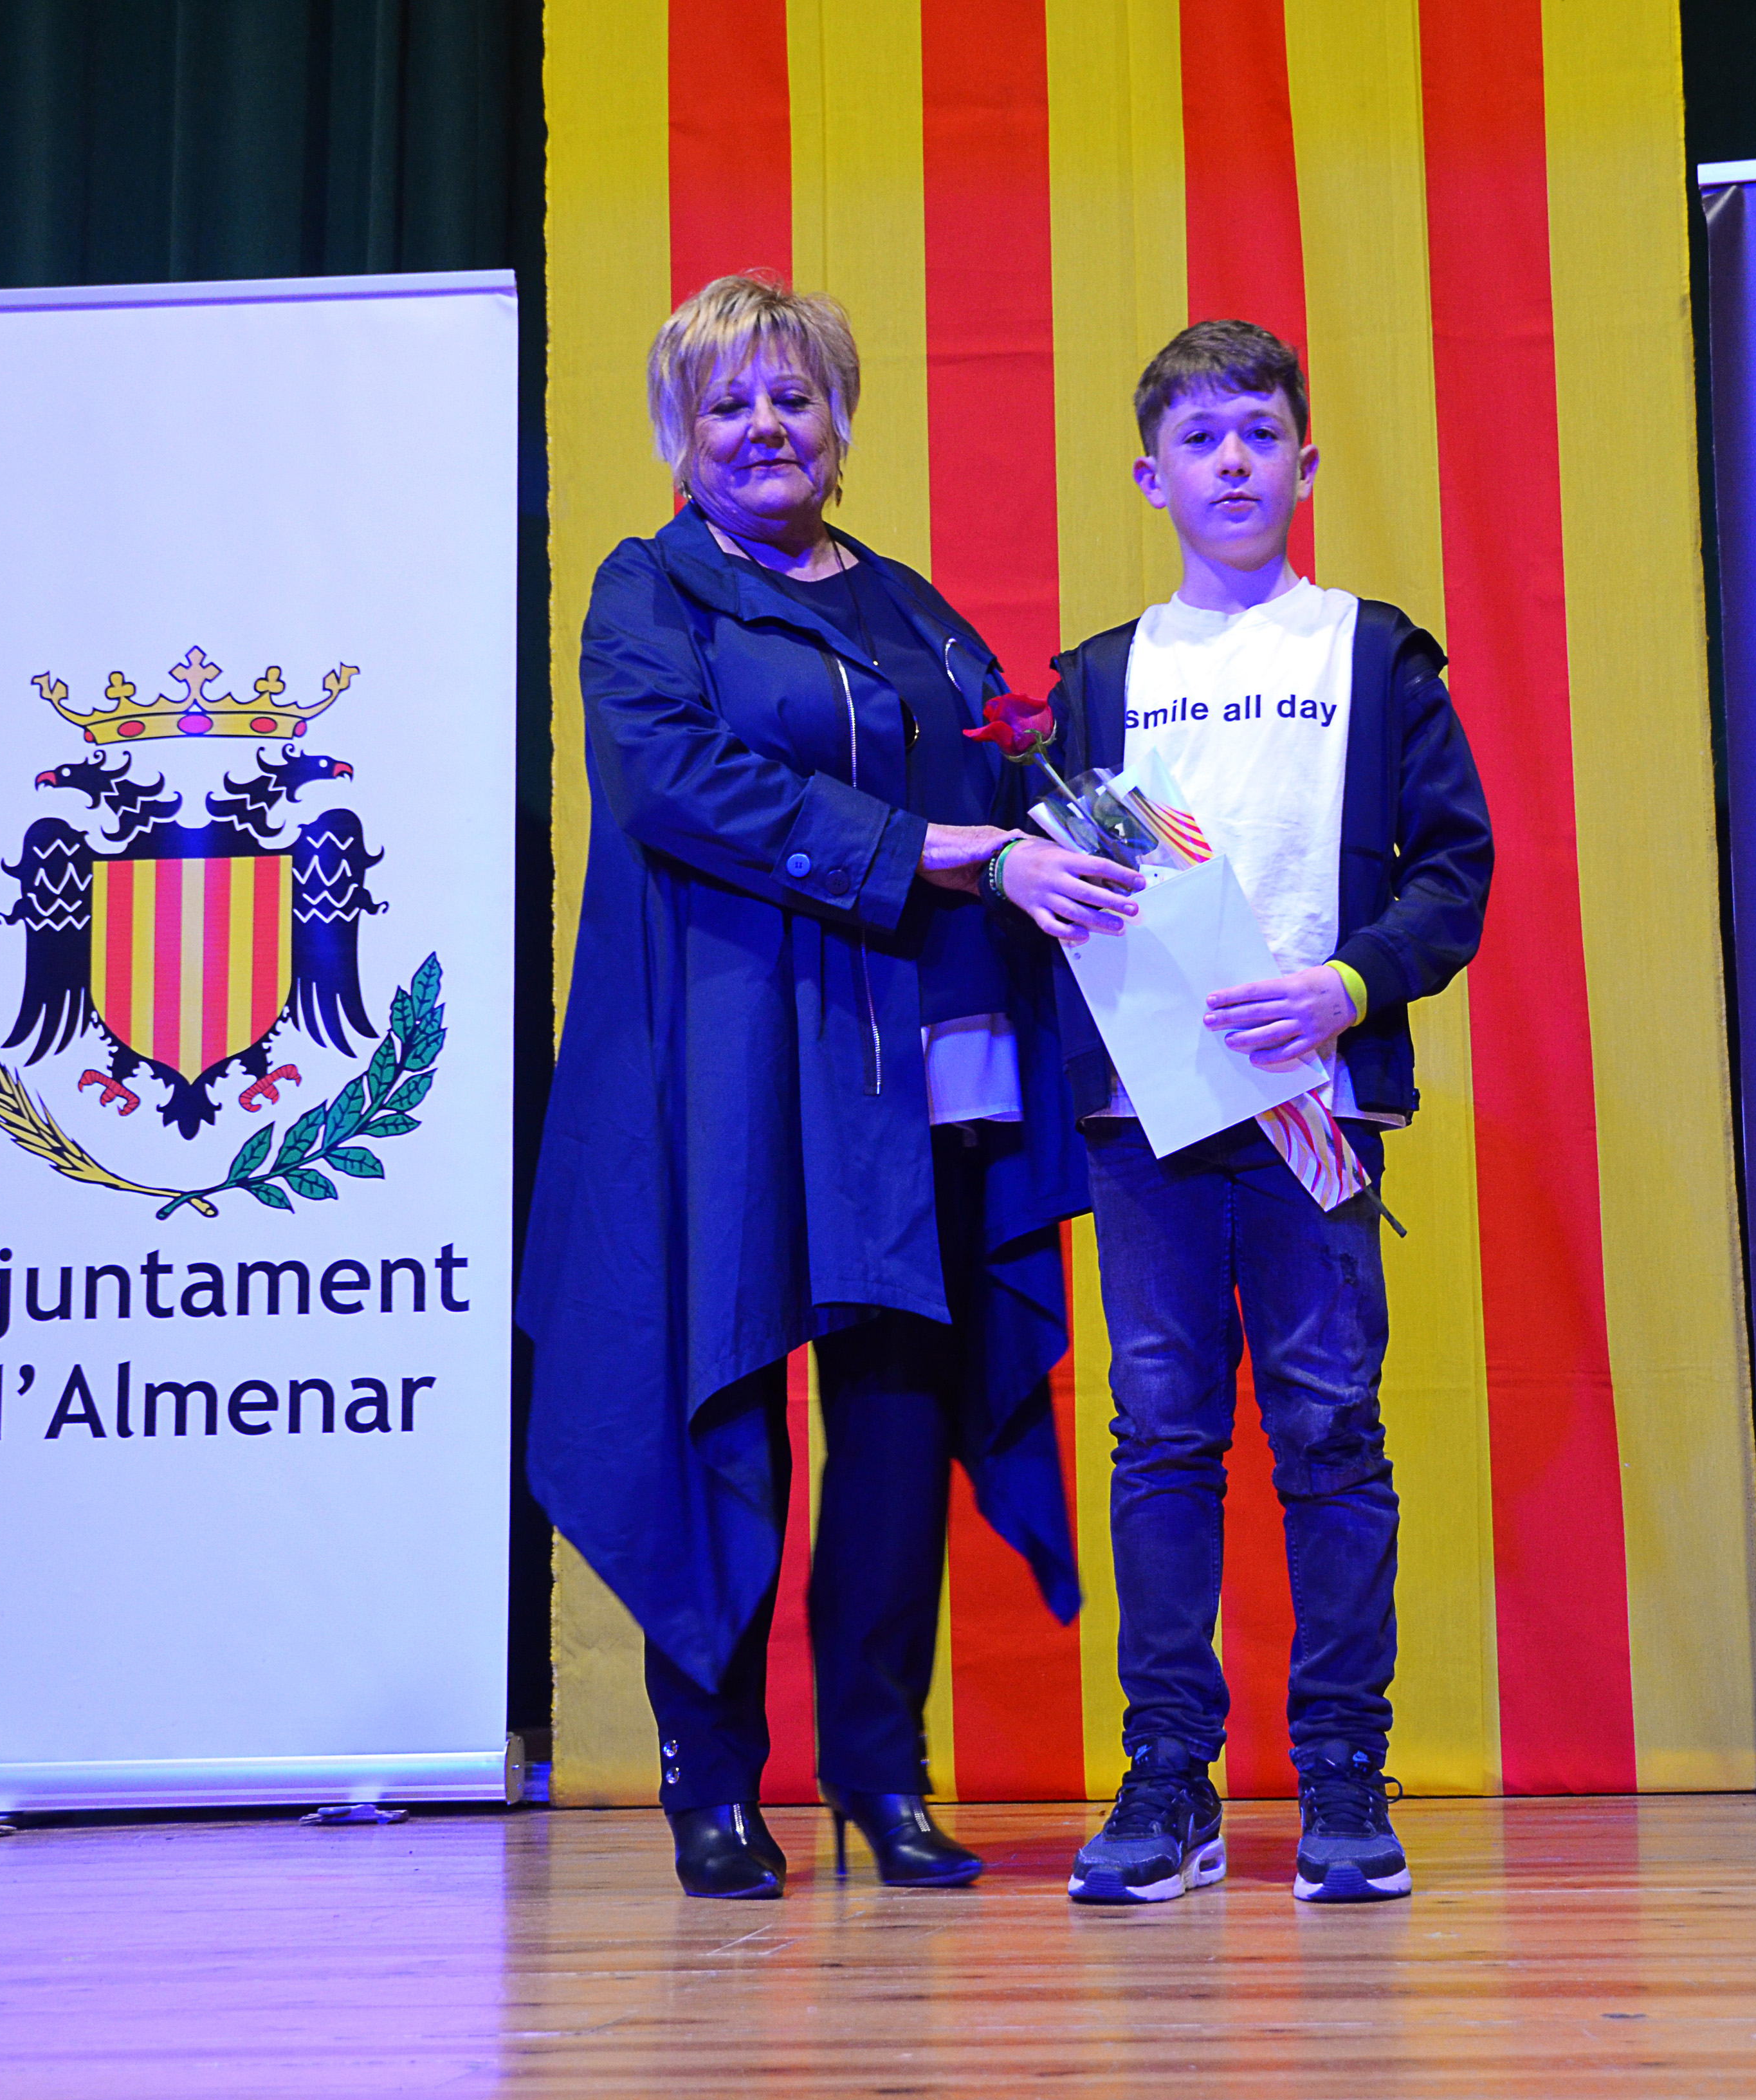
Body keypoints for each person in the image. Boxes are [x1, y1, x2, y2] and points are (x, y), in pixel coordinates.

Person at [518, 273, 1141, 1901]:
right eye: (727, 404)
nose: (764, 429)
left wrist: (1133, 831)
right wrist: (939, 851)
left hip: (919, 1071)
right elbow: (678, 783)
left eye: (791, 398)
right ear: (679, 433)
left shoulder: (911, 610)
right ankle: (714, 1785)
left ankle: (880, 1773)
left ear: (840, 418)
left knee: (895, 1430)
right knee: (723, 1405)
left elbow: (1011, 769)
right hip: (730, 1073)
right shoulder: (648, 593)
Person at [1045, 321, 1492, 1906]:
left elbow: (1455, 871)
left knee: (1327, 1428)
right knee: (1162, 1434)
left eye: (1256, 434)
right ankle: (1169, 1778)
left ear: (1305, 463)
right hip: (1148, 1115)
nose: (1229, 462)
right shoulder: (1095, 681)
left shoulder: (1374, 654)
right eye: (1199, 438)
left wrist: (1347, 988)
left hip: (1316, 1102)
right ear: (1148, 477)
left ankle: (1344, 1778)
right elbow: (1064, 886)